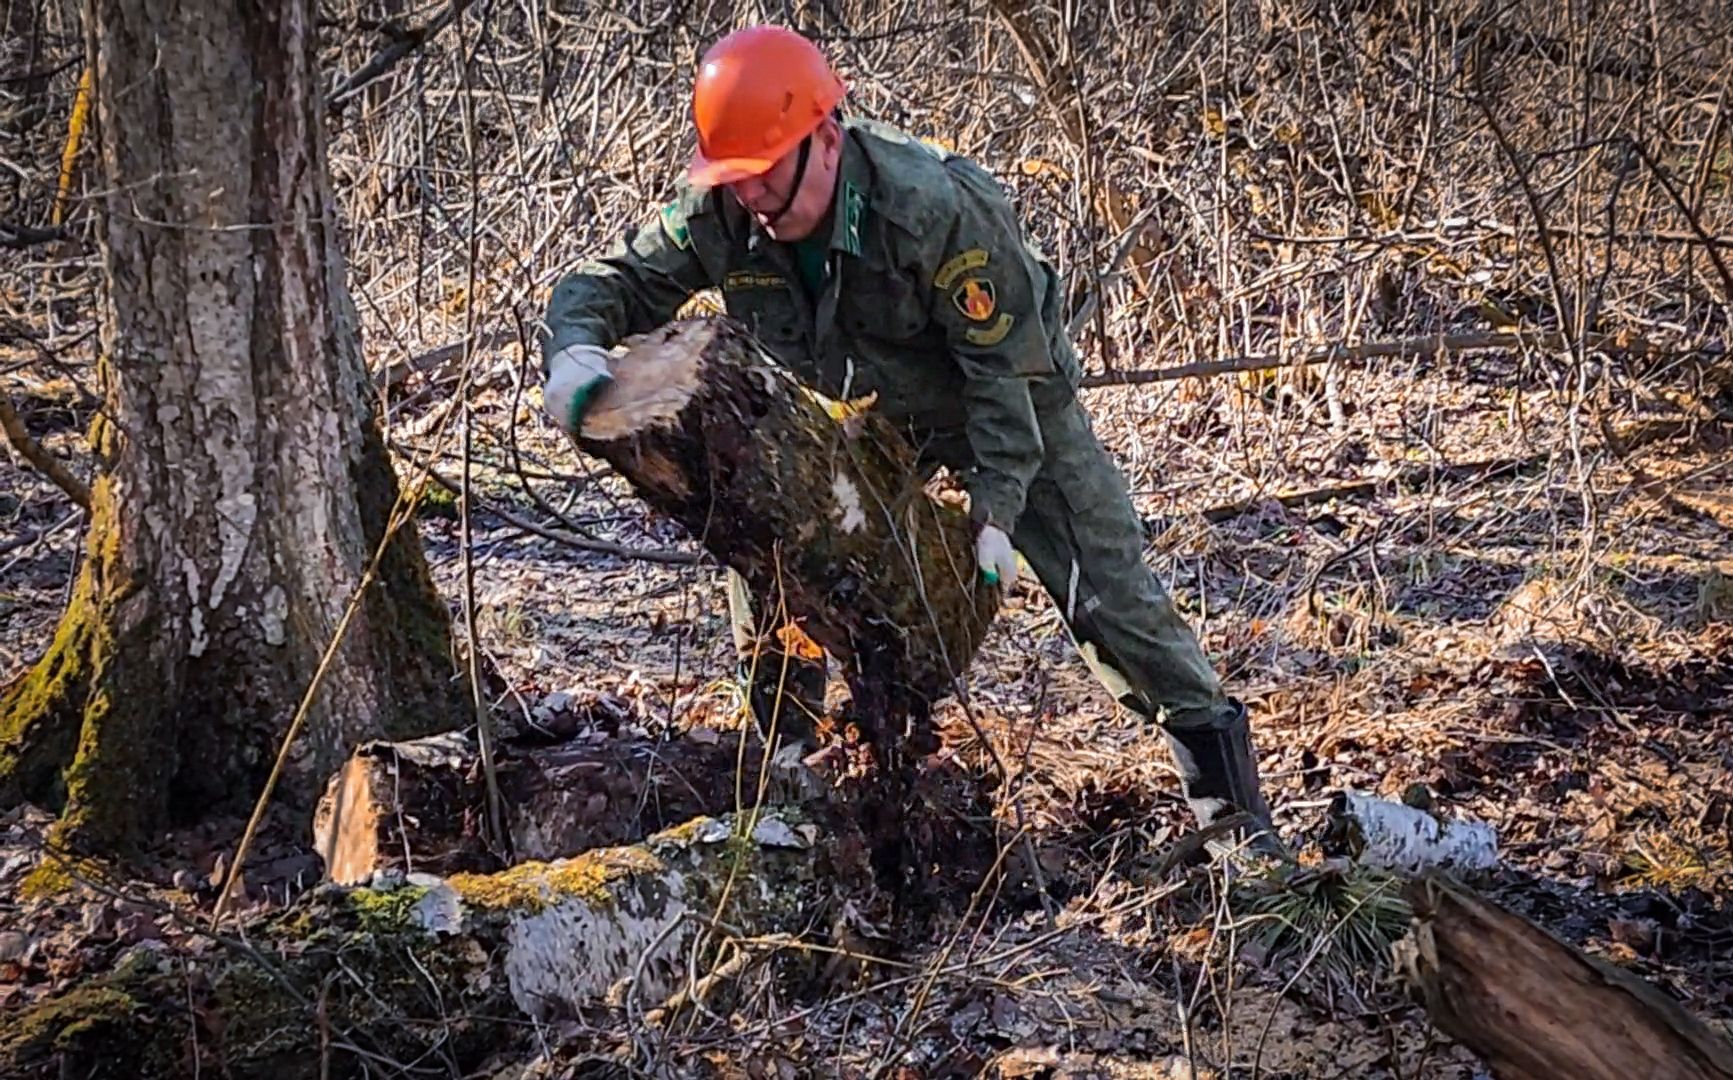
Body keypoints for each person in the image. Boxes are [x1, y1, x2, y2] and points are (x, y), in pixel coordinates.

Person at [537, 24, 1277, 847]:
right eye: (735, 175)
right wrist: (574, 346)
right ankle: (784, 782)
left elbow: (1006, 372)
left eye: (765, 171)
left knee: (1108, 593)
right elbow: (617, 278)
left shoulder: (931, 206)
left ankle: (1233, 823)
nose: (751, 194)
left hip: (996, 401)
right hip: (848, 416)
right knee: (767, 554)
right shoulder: (722, 208)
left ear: (824, 138)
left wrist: (995, 507)